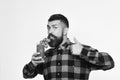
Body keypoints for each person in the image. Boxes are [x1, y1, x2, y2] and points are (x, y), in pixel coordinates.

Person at [23, 14, 114, 80]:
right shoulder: (46, 55)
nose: (50, 31)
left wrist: (83, 52)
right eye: (48, 28)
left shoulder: (82, 51)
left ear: (65, 31)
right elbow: (26, 74)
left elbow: (109, 63)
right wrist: (33, 64)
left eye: (55, 27)